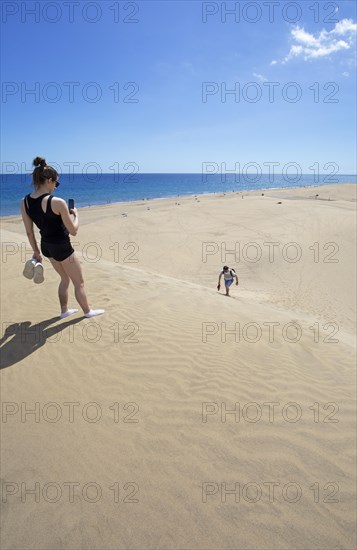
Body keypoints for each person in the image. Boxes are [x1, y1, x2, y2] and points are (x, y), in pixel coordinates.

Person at [20, 157, 105, 319]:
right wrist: (77, 216)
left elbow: (29, 232)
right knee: (79, 282)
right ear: (49, 180)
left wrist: (36, 252)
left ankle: (64, 311)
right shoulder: (57, 202)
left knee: (64, 278)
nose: (55, 187)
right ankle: (88, 312)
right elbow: (73, 231)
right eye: (56, 183)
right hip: (62, 247)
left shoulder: (24, 202)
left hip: (46, 247)